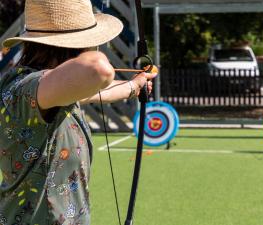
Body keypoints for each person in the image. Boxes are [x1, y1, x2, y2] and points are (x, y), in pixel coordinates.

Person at [0, 0, 156, 224]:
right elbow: (97, 69)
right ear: (73, 46)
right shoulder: (25, 88)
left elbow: (87, 91)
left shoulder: (51, 92)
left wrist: (134, 86)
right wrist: (96, 59)